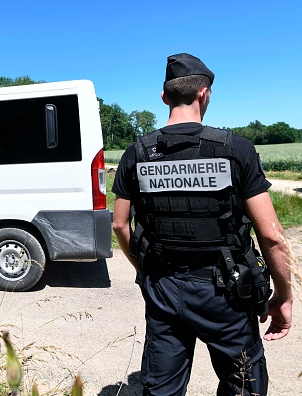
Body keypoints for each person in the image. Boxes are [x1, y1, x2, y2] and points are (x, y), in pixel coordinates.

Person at [112, 53, 293, 396]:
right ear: (204, 93)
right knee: (243, 384)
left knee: (161, 389)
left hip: (163, 285)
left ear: (164, 97)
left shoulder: (138, 153)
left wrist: (144, 269)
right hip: (227, 291)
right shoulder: (235, 150)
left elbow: (120, 225)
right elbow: (271, 235)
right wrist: (283, 297)